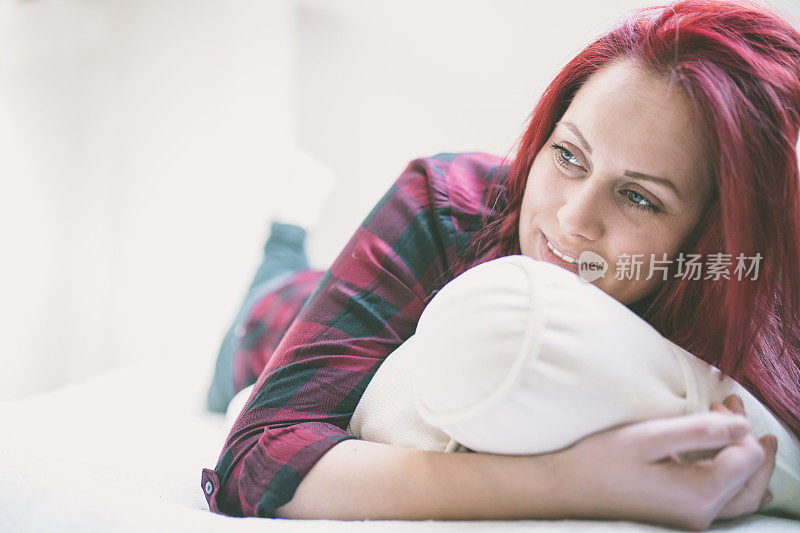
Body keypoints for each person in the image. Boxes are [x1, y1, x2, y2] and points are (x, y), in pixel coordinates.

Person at [200, 1, 800, 530]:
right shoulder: (443, 204)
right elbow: (253, 459)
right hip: (276, 324)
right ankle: (285, 235)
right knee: (268, 301)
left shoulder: (737, 284)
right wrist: (578, 481)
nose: (572, 218)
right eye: (567, 155)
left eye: (638, 197)